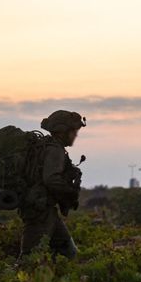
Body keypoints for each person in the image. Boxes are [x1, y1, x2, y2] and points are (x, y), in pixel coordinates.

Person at [19, 110, 85, 259]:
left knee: (69, 253)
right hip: (40, 212)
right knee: (29, 259)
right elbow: (51, 179)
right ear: (62, 132)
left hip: (46, 211)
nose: (75, 135)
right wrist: (69, 192)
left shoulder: (47, 146)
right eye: (73, 131)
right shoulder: (54, 150)